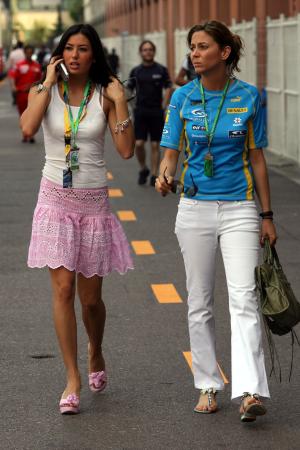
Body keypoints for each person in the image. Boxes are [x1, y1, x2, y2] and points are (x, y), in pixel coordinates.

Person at [155, 21, 277, 423]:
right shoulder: (182, 97)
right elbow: (170, 151)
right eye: (192, 46)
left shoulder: (249, 97)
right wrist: (164, 173)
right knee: (200, 301)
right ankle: (208, 384)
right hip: (194, 209)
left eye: (202, 46)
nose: (193, 53)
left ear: (224, 53)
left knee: (243, 298)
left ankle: (250, 391)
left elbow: (257, 158)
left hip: (240, 207)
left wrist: (267, 214)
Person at [20, 24, 135, 415]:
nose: (74, 55)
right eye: (68, 48)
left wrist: (120, 104)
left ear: (93, 55)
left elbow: (124, 151)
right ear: (59, 54)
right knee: (63, 289)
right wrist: (46, 82)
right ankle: (71, 378)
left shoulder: (105, 93)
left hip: (92, 203)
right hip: (54, 198)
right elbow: (28, 127)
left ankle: (95, 351)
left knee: (90, 301)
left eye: (82, 49)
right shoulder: (44, 90)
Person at [128, 40, 173, 186]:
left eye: (150, 49)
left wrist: (164, 105)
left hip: (156, 112)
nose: (148, 52)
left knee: (155, 145)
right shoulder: (136, 71)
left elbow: (169, 87)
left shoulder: (161, 70)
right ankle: (143, 168)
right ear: (141, 52)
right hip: (140, 111)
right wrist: (132, 105)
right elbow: (128, 89)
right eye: (145, 50)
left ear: (154, 52)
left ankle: (154, 174)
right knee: (139, 144)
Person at [14, 44, 42, 142]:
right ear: (25, 53)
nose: (29, 54)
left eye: (31, 52)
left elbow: (40, 80)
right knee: (23, 115)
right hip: (21, 95)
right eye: (27, 52)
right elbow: (14, 78)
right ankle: (24, 134)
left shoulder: (37, 66)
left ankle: (31, 135)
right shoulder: (19, 65)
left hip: (33, 95)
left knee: (32, 115)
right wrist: (16, 88)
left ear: (32, 53)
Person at [6, 41, 25, 105]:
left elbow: (10, 64)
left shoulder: (13, 53)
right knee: (21, 84)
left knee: (13, 86)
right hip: (22, 71)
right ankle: (21, 97)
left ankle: (15, 99)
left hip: (13, 71)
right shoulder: (24, 52)